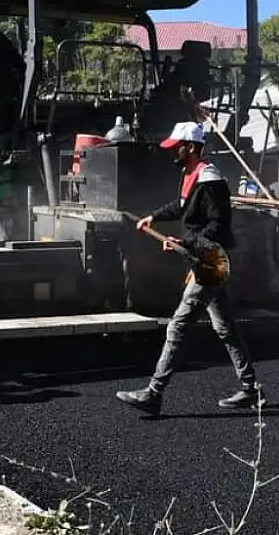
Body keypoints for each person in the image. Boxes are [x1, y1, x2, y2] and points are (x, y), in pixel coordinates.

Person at [116, 121, 261, 417]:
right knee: (225, 327)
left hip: (209, 264)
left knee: (178, 325)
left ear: (192, 148)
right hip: (200, 259)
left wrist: (185, 243)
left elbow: (217, 227)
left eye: (177, 147)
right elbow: (182, 207)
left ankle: (154, 393)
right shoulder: (190, 174)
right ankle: (250, 389)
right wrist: (153, 217)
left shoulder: (210, 180)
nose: (173, 152)